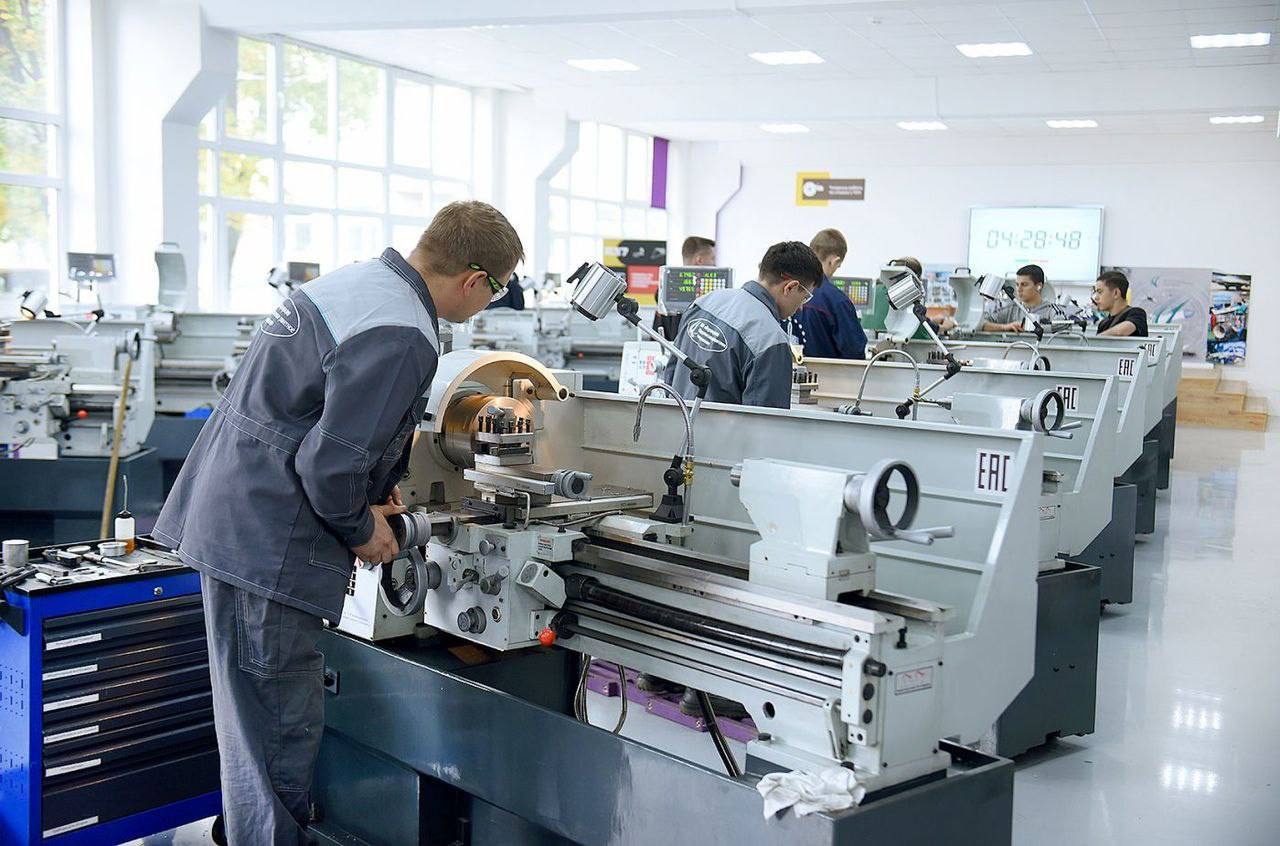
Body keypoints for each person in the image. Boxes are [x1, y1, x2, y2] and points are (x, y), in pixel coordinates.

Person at [152, 201, 524, 845]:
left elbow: (317, 419)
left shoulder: (363, 284)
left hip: (241, 514)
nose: (491, 301)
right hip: (269, 538)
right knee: (275, 725)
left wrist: (377, 483)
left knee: (251, 724)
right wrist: (362, 528)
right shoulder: (404, 332)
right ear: (473, 279)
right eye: (497, 288)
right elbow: (328, 465)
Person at [662, 241, 822, 409]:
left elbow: (671, 374)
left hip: (679, 422)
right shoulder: (771, 339)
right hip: (722, 427)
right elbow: (765, 418)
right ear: (790, 287)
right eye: (805, 297)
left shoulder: (703, 302)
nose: (801, 307)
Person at [791, 228, 867, 359]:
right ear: (834, 261)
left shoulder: (789, 291)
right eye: (838, 266)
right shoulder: (837, 301)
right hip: (828, 372)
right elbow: (854, 351)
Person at [888, 256, 956, 334]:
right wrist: (944, 327)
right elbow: (919, 330)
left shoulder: (886, 290)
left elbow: (912, 320)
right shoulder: (906, 294)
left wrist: (931, 320)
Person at [980, 264, 1058, 332]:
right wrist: (1005, 327)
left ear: (1039, 286)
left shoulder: (1053, 311)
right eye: (1017, 284)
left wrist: (1029, 327)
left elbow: (1062, 327)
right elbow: (981, 323)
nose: (1019, 289)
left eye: (1024, 284)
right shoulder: (1010, 310)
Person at [1093, 270, 1148, 336]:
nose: (1096, 297)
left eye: (1100, 292)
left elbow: (1121, 331)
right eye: (1095, 292)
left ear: (1116, 293)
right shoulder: (1103, 324)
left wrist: (1097, 338)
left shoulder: (1137, 313)